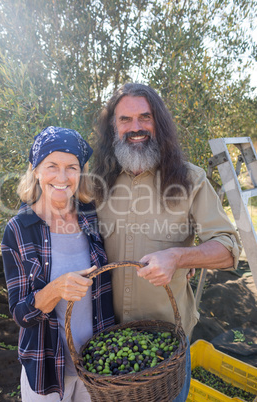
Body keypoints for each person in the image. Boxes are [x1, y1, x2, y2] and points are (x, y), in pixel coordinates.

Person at [92, 83, 241, 401]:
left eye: (145, 117)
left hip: (167, 346)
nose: (135, 128)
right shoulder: (97, 182)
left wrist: (179, 257)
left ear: (158, 122)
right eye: (125, 120)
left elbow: (228, 248)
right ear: (112, 127)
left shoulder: (190, 180)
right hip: (106, 341)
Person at [1, 126, 114, 401]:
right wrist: (55, 290)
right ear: (35, 169)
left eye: (71, 167)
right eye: (52, 165)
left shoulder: (92, 218)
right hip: (47, 370)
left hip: (97, 366)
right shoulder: (19, 229)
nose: (62, 177)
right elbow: (20, 314)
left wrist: (177, 256)